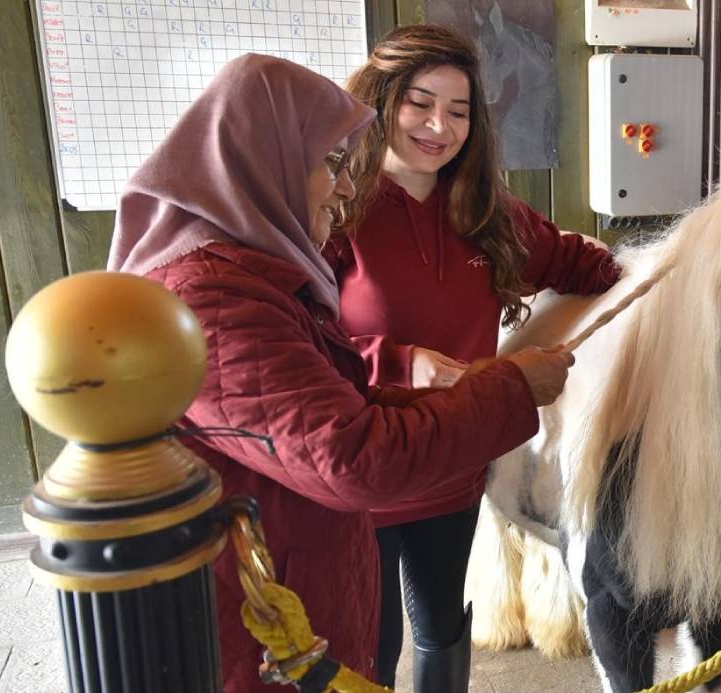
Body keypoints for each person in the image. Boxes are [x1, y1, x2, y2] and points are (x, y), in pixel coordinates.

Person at [106, 54, 574, 693]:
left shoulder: (252, 276)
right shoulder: (217, 300)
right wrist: (510, 386)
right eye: (330, 165)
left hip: (335, 546)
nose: (345, 185)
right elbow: (352, 457)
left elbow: (332, 403)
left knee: (435, 623)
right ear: (263, 163)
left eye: (460, 111)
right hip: (280, 620)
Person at [330, 25, 621, 691]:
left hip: (452, 460)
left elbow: (588, 266)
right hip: (361, 470)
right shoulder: (339, 207)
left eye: (459, 112)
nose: (439, 126)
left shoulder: (490, 214)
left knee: (440, 624)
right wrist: (405, 364)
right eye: (420, 103)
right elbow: (302, 336)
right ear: (380, 102)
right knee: (368, 642)